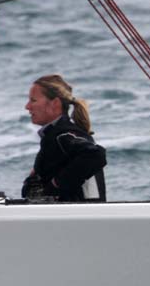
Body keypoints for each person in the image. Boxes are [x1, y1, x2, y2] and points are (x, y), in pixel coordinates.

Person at [22, 74, 107, 202]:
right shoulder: (55, 136)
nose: (27, 106)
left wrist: (55, 185)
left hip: (80, 217)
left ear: (55, 103)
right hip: (77, 216)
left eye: (33, 100)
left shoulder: (64, 135)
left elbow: (95, 155)